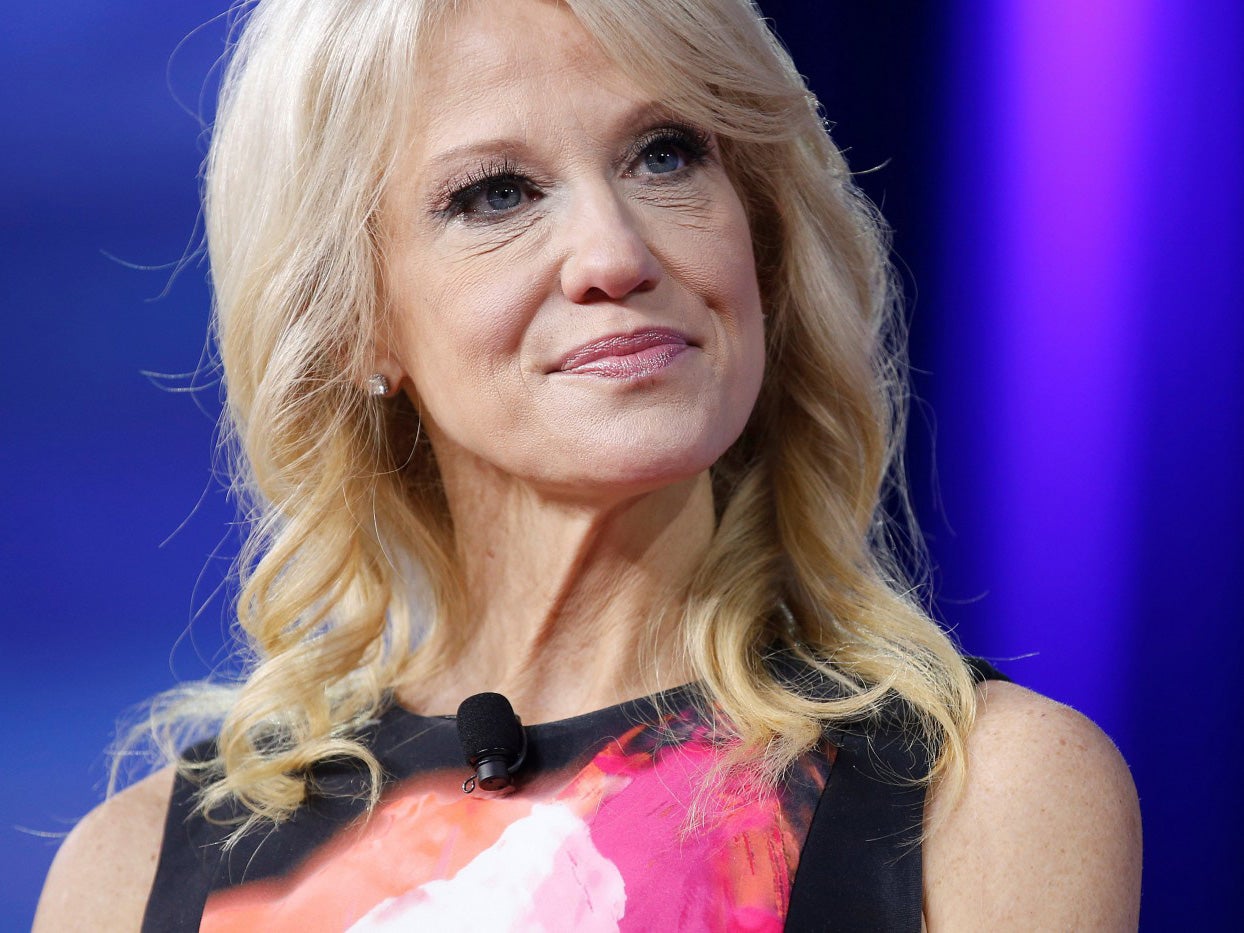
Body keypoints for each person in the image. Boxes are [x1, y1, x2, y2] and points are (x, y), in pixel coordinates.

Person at [35, 0, 1141, 929]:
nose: (615, 253)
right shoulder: (127, 876)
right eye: (496, 194)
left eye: (666, 155)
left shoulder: (982, 796)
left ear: (757, 236)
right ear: (357, 324)